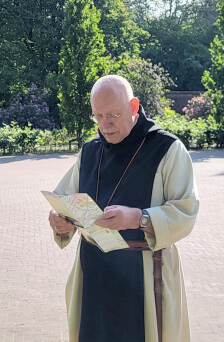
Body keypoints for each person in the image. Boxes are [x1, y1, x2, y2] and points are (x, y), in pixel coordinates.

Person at [48, 75, 199, 342]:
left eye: (114, 115)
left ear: (133, 107)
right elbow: (64, 200)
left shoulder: (167, 149)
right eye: (98, 116)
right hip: (93, 273)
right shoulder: (90, 152)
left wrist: (139, 218)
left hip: (144, 274)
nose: (105, 125)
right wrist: (58, 220)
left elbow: (185, 212)